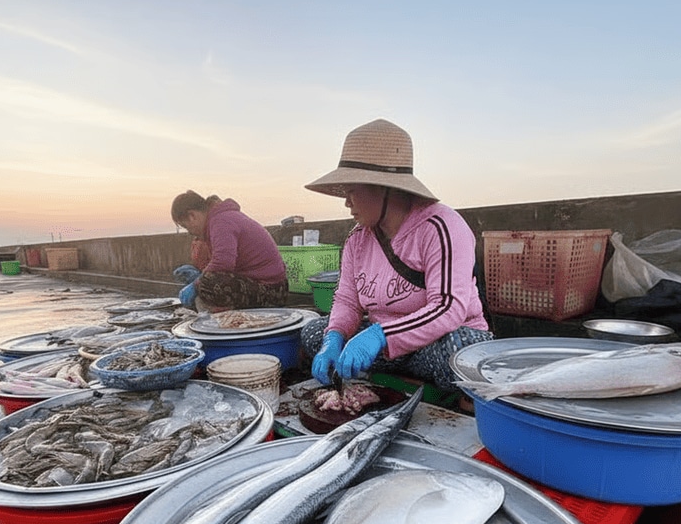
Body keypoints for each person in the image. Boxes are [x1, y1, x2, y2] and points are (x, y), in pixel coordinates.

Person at [301, 119, 494, 391]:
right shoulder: (358, 237)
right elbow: (347, 298)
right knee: (312, 333)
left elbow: (448, 308)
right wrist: (334, 337)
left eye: (352, 191)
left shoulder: (441, 227)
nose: (347, 202)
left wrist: (380, 336)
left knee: (463, 349)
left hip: (435, 343)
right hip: (390, 351)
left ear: (384, 188)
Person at [170, 190, 289, 312]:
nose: (189, 232)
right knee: (206, 282)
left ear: (192, 216)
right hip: (265, 286)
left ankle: (225, 318)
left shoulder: (220, 221)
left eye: (186, 226)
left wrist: (196, 284)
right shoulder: (220, 219)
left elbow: (223, 263)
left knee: (209, 284)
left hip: (272, 291)